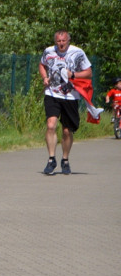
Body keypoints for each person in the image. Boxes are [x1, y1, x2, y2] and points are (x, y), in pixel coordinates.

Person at [39, 30, 92, 175]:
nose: (61, 44)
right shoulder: (49, 51)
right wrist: (44, 77)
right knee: (51, 125)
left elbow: (88, 72)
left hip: (70, 96)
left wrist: (73, 74)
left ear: (68, 41)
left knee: (67, 131)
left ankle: (65, 159)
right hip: (52, 93)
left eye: (63, 41)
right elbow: (42, 65)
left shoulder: (78, 53)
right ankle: (51, 159)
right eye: (58, 41)